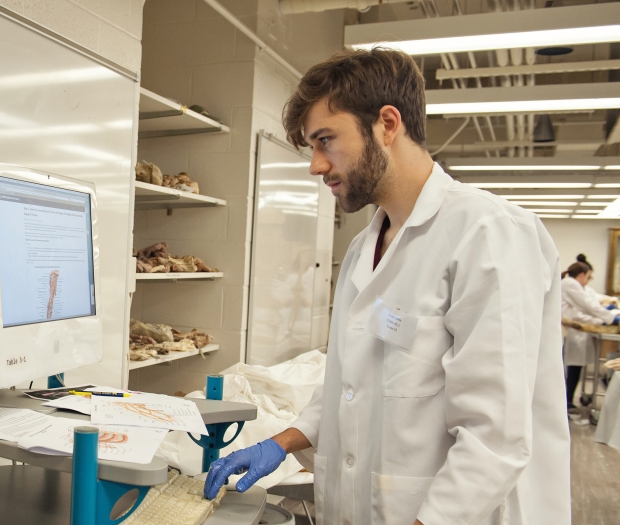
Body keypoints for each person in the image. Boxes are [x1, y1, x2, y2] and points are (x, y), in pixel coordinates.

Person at [204, 48, 571, 525]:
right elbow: (349, 387)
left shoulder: (488, 234)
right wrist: (283, 442)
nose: (316, 165)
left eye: (325, 141)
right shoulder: (363, 248)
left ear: (387, 124)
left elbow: (494, 437)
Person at [561, 256, 619, 410]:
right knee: (568, 370)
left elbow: (583, 310)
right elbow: (587, 306)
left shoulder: (572, 285)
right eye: (588, 277)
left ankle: (567, 402)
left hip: (573, 330)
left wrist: (605, 318)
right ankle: (566, 403)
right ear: (581, 275)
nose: (587, 280)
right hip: (568, 332)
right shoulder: (570, 284)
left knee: (573, 369)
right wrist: (611, 318)